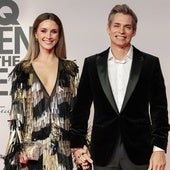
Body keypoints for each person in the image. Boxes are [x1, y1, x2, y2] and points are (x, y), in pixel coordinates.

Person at [70, 4, 170, 170]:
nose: (121, 31)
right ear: (108, 29)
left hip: (140, 152)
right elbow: (81, 109)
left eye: (127, 27)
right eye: (116, 25)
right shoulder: (92, 64)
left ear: (134, 31)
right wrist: (78, 146)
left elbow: (159, 109)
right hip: (102, 152)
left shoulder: (150, 63)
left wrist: (159, 148)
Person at [3, 13, 78, 170]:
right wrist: (16, 151)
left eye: (54, 31)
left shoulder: (70, 70)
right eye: (43, 31)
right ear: (35, 34)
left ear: (59, 35)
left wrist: (80, 149)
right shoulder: (23, 70)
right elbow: (17, 116)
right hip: (30, 155)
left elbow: (77, 114)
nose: (48, 36)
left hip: (61, 154)